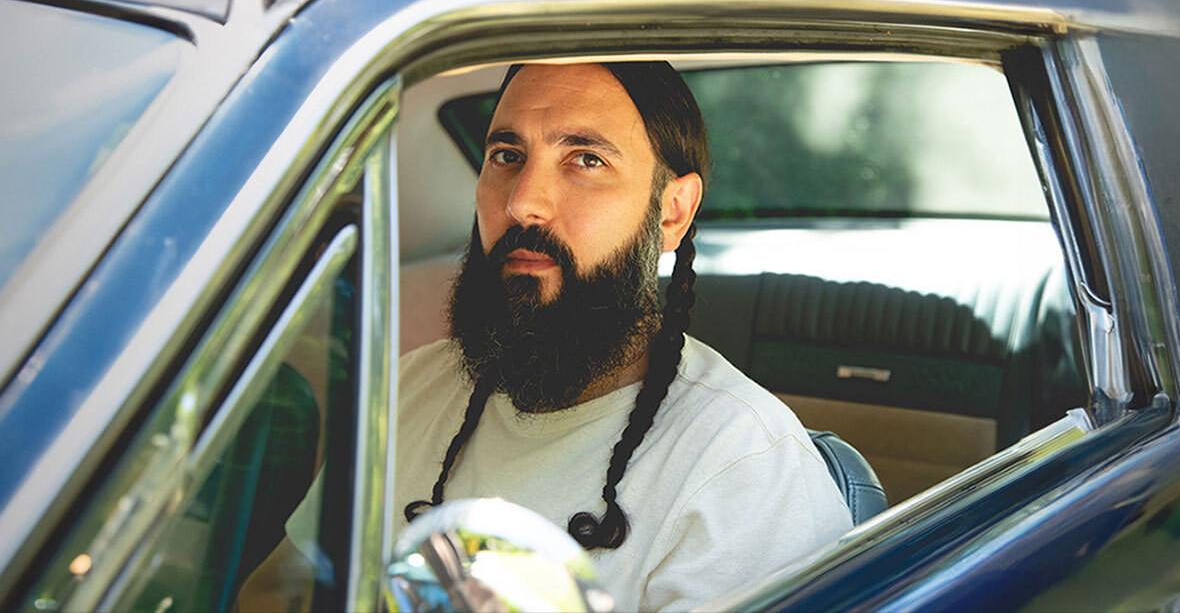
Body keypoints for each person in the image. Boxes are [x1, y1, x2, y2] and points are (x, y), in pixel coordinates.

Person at [248, 61, 852, 612]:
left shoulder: (742, 470)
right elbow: (281, 591)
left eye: (585, 160)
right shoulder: (410, 390)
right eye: (507, 155)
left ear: (672, 212)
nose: (523, 203)